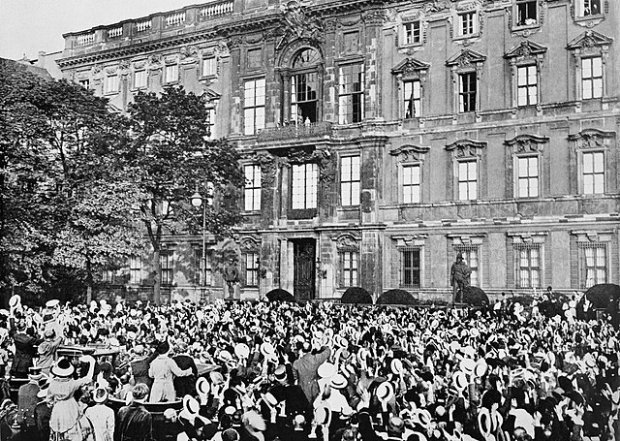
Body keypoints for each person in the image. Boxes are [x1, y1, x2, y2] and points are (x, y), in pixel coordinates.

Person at [48, 355, 96, 441]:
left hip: (58, 409)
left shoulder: (52, 384)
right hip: (70, 407)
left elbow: (49, 400)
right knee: (74, 429)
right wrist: (92, 364)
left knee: (57, 432)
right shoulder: (72, 383)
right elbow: (88, 378)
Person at [16, 366, 42, 441]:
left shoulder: (21, 388)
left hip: (21, 420)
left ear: (29, 377)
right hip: (34, 422)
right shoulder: (40, 390)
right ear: (40, 378)